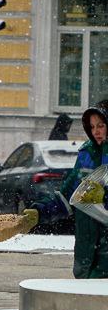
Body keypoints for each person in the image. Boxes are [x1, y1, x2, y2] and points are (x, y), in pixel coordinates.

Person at [18, 106, 108, 278]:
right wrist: (39, 213)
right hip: (86, 254)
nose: (96, 131)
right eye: (92, 127)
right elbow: (68, 197)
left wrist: (104, 198)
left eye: (101, 126)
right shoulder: (86, 154)